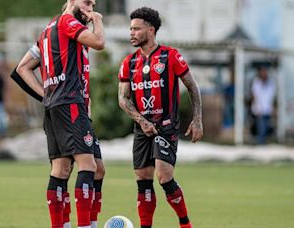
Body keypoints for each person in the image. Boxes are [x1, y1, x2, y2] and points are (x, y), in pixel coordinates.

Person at [14, 0, 105, 227]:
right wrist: (98, 20)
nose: (90, 8)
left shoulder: (48, 29)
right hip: (71, 105)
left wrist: (47, 96)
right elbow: (99, 42)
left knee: (65, 169)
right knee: (89, 167)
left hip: (57, 106)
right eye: (86, 2)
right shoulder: (67, 21)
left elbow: (22, 68)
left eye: (93, 5)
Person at [118, 7, 203, 228]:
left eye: (136, 28)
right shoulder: (129, 62)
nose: (132, 33)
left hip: (166, 126)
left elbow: (193, 88)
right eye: (130, 29)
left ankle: (185, 223)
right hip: (142, 128)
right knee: (143, 180)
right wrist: (141, 120)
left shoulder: (171, 56)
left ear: (151, 30)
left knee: (164, 176)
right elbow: (123, 99)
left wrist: (197, 120)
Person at [250, 66, 276, 145]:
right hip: (259, 109)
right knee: (261, 128)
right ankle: (260, 143)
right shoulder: (256, 82)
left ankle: (262, 142)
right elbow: (254, 95)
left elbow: (272, 96)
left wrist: (273, 108)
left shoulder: (270, 83)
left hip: (267, 109)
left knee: (266, 127)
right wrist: (256, 107)